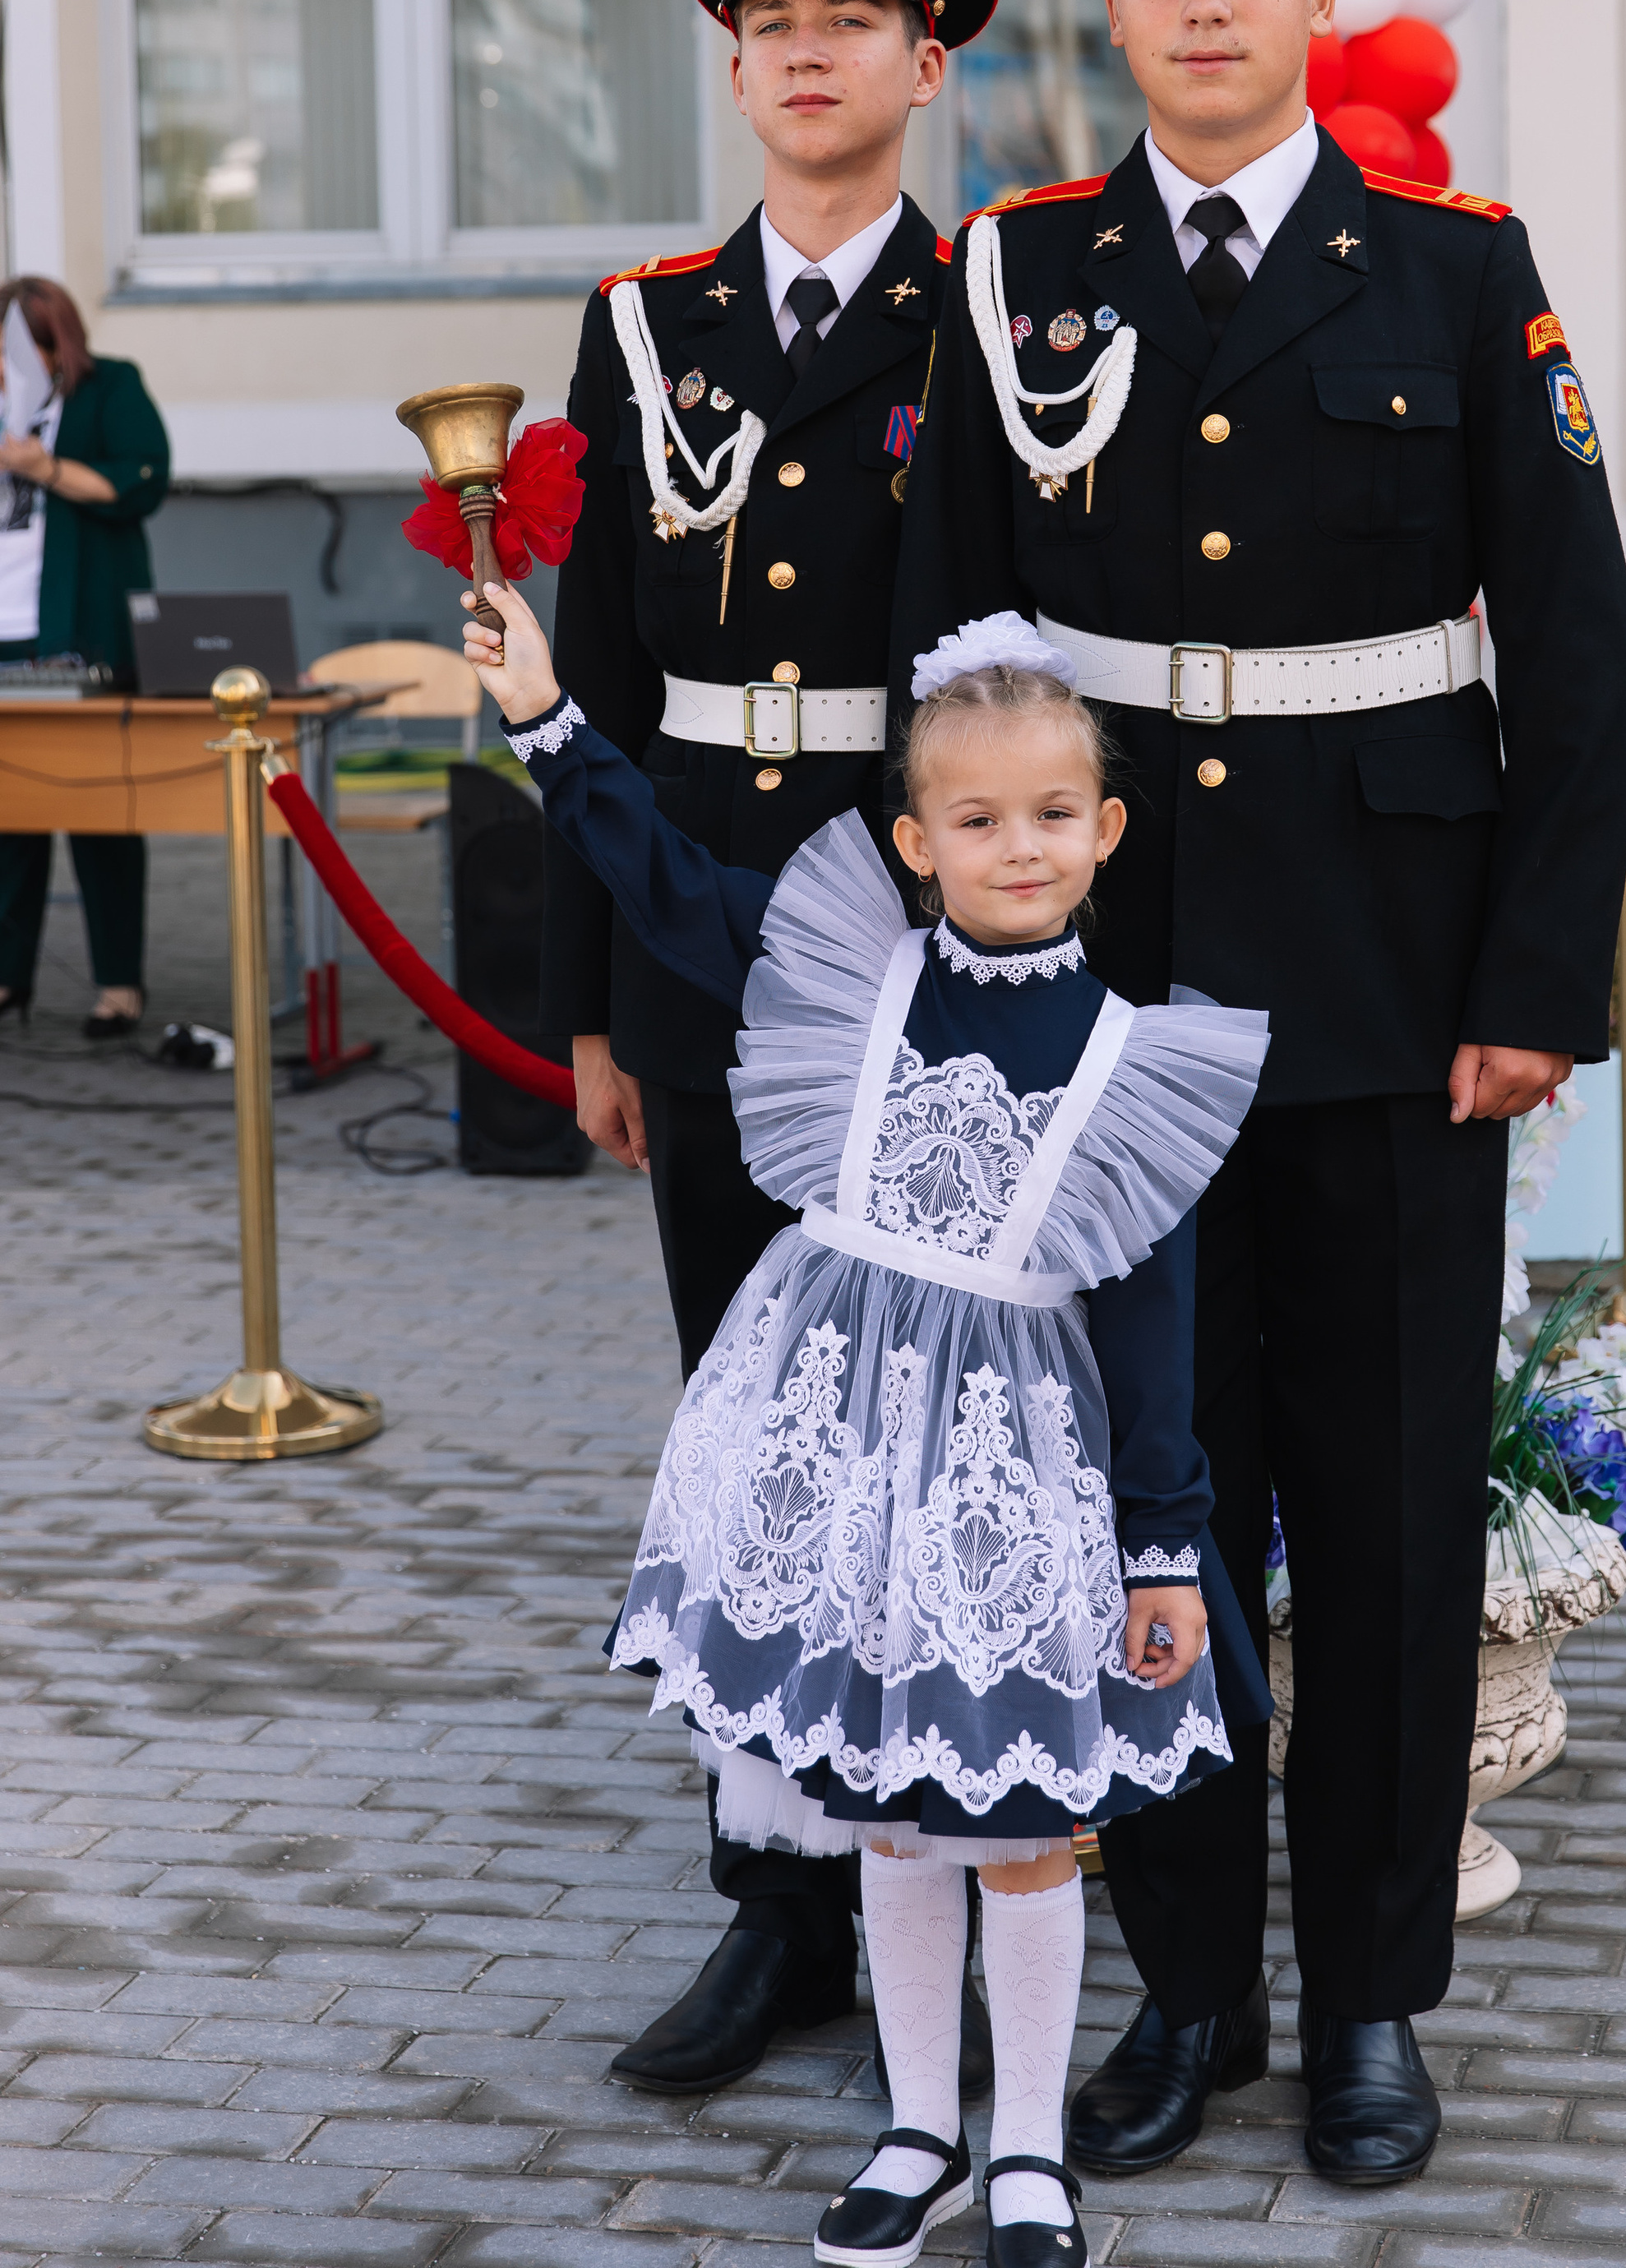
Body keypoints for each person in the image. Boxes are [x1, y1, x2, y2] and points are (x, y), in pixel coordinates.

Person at [891, 0, 1626, 2187]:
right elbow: (955, 656)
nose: (1204, 0)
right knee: (1148, 1515)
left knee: (1400, 1510)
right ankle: (1194, 1981)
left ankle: (1370, 2007)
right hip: (1112, 1012)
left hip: (1399, 1006)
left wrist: (1530, 977)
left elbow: (1578, 651)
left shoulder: (1458, 271)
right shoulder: (1022, 278)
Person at [473, 584, 1272, 2268]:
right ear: (913, 839)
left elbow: (1151, 1323)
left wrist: (1162, 1544)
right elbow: (676, 890)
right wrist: (554, 724)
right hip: (834, 1457)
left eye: (1054, 815)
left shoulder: (1135, 1064)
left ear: (1107, 826)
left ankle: (1032, 2152)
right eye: (977, 820)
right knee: (891, 1818)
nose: (1020, 847)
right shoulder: (856, 975)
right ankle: (917, 2125)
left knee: (1022, 1830)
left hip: (1005, 1474)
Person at [541, 0, 1004, 2096]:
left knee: (913, 1412)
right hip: (701, 948)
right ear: (732, 69)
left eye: (852, 23)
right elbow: (593, 684)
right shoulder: (647, 330)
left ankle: (931, 1854)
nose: (808, 56)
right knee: (744, 1418)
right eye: (770, 28)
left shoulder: (998, 313)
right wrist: (594, 1002)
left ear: (928, 61)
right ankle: (777, 1904)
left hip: (917, 933)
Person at [0, 275, 171, 1035]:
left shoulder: (111, 389)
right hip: (6, 624)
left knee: (100, 809)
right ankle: (9, 981)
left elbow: (141, 483)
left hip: (79, 629)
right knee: (10, 813)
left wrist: (42, 468)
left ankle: (118, 985)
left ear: (54, 344)